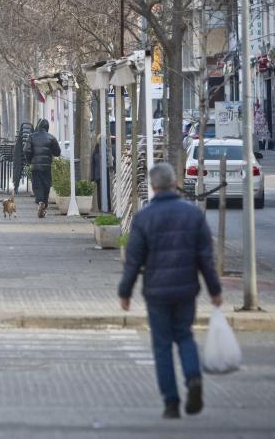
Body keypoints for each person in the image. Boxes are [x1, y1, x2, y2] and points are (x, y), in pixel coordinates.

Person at [119, 163, 223, 420]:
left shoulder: (144, 217)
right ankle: (193, 379)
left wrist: (125, 291)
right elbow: (205, 258)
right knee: (185, 336)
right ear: (175, 183)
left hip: (156, 291)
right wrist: (215, 290)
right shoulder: (192, 214)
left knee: (162, 345)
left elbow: (134, 259)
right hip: (186, 289)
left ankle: (171, 403)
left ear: (153, 187)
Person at [23, 119, 61, 218]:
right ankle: (44, 204)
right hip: (47, 167)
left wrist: (29, 161)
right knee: (46, 186)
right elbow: (57, 152)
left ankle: (40, 202)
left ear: (39, 127)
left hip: (35, 166)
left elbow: (27, 150)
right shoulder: (51, 138)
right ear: (47, 128)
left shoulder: (31, 137)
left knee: (37, 185)